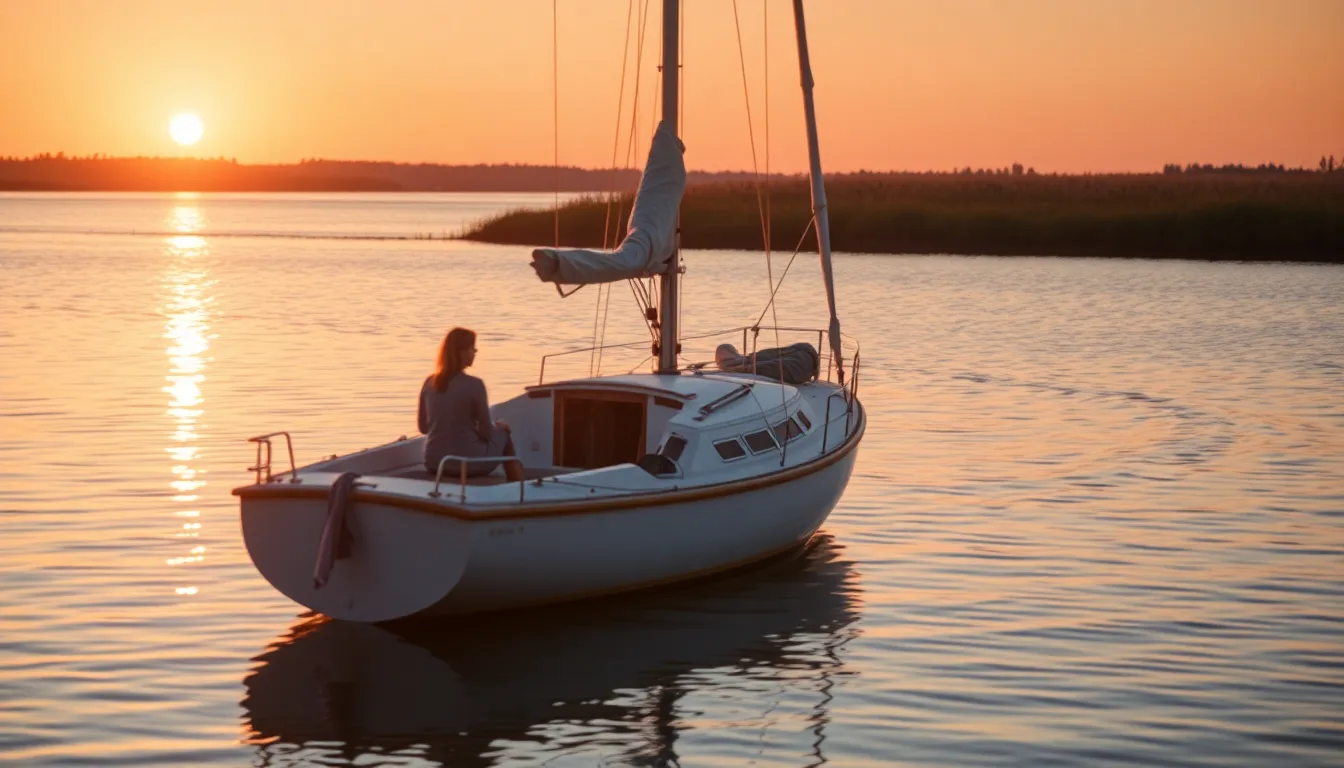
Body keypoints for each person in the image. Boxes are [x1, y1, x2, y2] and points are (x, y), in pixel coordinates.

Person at [418, 327, 525, 482]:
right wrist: (498, 427)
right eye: (472, 348)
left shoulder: (429, 382)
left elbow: (423, 428)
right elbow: (486, 433)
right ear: (461, 352)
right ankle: (519, 487)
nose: (475, 352)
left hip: (434, 462)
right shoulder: (475, 385)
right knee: (504, 434)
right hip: (466, 464)